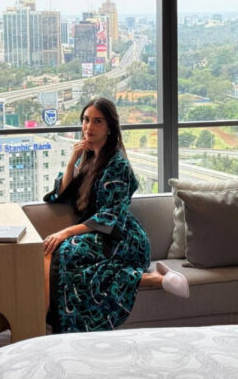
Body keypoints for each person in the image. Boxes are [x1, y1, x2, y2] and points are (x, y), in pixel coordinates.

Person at [43, 97, 189, 334]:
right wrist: (72, 161)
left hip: (122, 238)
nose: (89, 127)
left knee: (65, 252)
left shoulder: (117, 165)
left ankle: (41, 325)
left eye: (97, 122)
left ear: (110, 127)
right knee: (57, 253)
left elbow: (110, 216)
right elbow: (62, 195)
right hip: (97, 234)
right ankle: (40, 322)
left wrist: (65, 232)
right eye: (86, 120)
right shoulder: (85, 157)